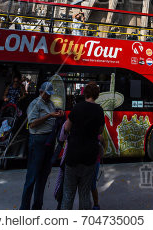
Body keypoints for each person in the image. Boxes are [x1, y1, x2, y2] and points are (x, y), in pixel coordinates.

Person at [20, 82, 64, 210]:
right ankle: (24, 208)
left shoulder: (50, 104)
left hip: (48, 141)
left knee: (43, 177)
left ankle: (37, 207)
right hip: (37, 140)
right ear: (40, 92)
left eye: (49, 95)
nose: (48, 97)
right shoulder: (35, 104)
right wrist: (49, 115)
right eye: (46, 94)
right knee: (32, 177)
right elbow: (32, 124)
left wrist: (57, 114)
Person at [61, 82, 105, 210]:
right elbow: (100, 131)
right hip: (90, 156)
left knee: (68, 194)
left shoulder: (77, 107)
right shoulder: (99, 110)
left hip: (73, 154)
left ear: (85, 93)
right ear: (97, 95)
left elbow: (67, 127)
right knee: (85, 194)